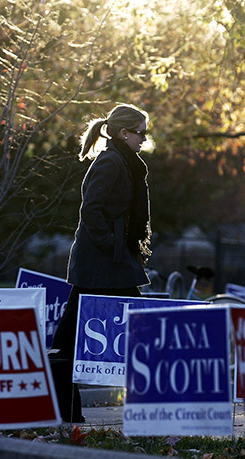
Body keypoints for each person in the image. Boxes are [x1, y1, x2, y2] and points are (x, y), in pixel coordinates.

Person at [50, 103, 152, 423]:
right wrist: (113, 247)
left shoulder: (124, 162)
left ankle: (65, 412)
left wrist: (122, 247)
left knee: (66, 340)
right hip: (103, 262)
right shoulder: (112, 162)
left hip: (107, 262)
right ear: (124, 133)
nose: (143, 140)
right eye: (140, 134)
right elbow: (90, 210)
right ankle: (65, 412)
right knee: (143, 330)